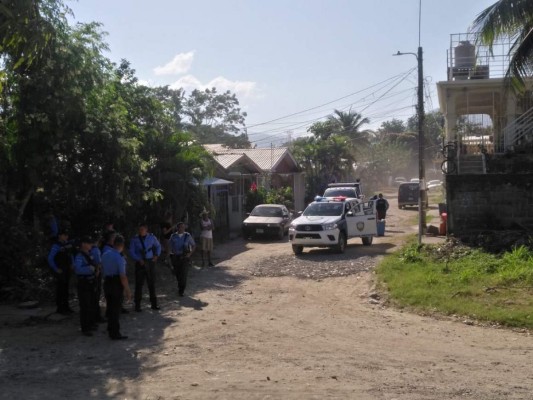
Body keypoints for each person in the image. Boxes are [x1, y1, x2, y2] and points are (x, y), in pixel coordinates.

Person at [102, 235, 132, 340]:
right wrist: (127, 290)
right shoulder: (119, 258)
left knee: (110, 307)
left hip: (107, 282)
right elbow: (123, 276)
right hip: (116, 283)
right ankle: (115, 333)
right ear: (122, 245)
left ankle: (110, 328)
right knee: (115, 309)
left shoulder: (105, 254)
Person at [129, 223, 161, 312]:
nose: (141, 231)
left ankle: (154, 304)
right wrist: (138, 259)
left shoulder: (151, 237)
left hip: (150, 262)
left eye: (142, 229)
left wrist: (156, 255)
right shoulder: (134, 239)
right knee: (139, 285)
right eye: (139, 230)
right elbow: (131, 251)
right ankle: (137, 305)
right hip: (140, 263)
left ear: (146, 230)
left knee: (151, 284)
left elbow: (158, 246)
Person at [74, 236, 99, 336]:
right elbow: (78, 270)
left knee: (92, 303)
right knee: (85, 305)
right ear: (83, 244)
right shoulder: (79, 256)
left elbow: (94, 265)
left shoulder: (89, 254)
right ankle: (85, 328)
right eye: (89, 243)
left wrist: (96, 270)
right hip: (84, 283)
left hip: (91, 282)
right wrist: (90, 269)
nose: (91, 245)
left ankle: (91, 323)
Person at [47, 229, 74, 315]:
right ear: (60, 236)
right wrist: (56, 269)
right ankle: (60, 308)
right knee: (60, 289)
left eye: (67, 235)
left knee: (66, 289)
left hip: (67, 270)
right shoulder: (56, 246)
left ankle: (66, 307)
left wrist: (72, 263)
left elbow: (71, 254)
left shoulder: (67, 244)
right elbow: (50, 258)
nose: (66, 237)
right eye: (64, 235)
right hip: (60, 270)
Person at [169, 222, 196, 297]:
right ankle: (180, 286)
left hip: (184, 258)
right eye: (180, 227)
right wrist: (168, 256)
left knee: (183, 274)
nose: (182, 229)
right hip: (175, 257)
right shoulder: (173, 236)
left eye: (183, 227)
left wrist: (189, 254)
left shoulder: (187, 235)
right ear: (177, 228)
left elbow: (193, 245)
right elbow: (169, 246)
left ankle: (181, 290)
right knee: (177, 274)